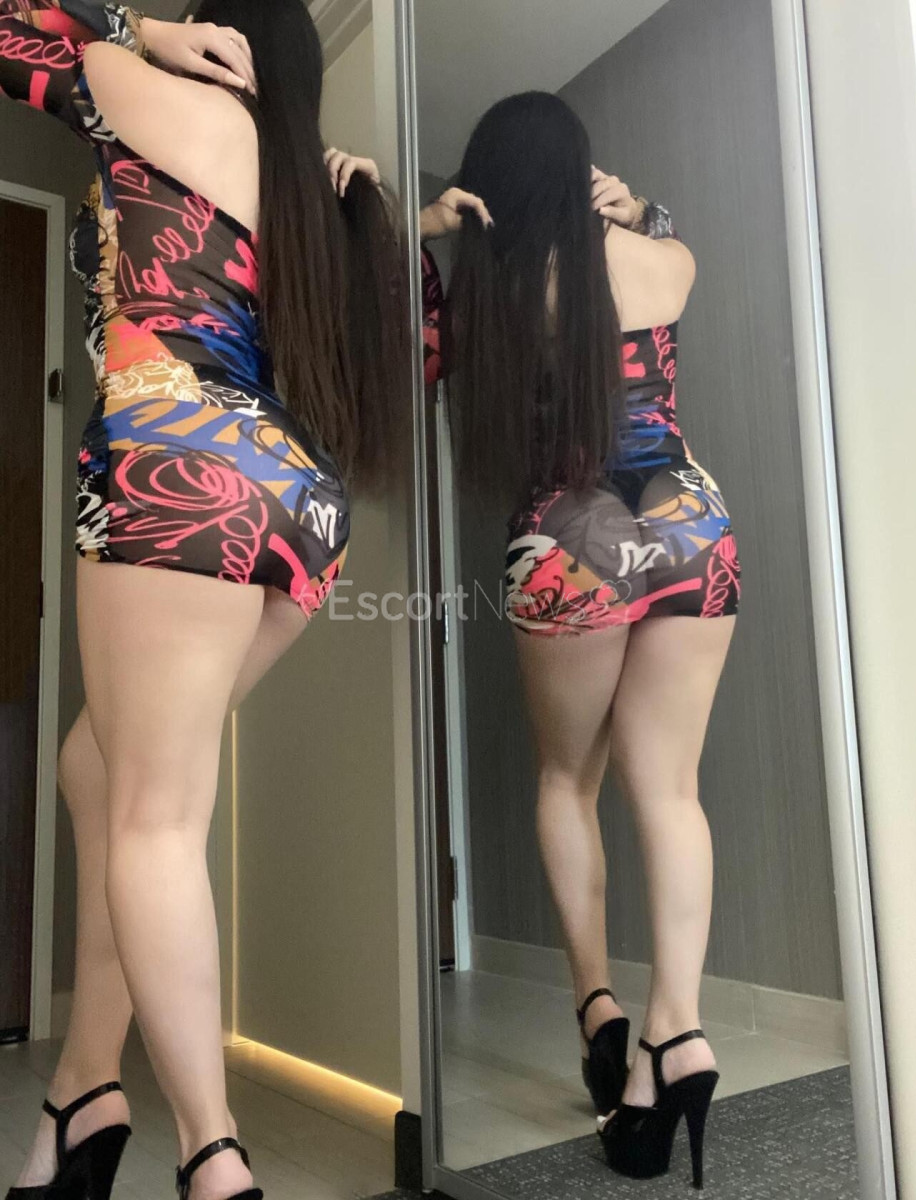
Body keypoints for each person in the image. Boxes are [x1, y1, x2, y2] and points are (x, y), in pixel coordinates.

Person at [0, 4, 404, 1200]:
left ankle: (211, 1154)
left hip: (172, 465)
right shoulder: (314, 190)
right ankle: (84, 1090)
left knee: (154, 820)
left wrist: (131, 29)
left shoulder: (133, 83)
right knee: (96, 768)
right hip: (297, 504)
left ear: (214, 33)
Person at [419, 91, 740, 1188]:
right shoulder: (663, 263)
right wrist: (644, 212)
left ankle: (599, 1008)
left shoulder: (492, 288)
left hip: (570, 535)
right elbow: (678, 248)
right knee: (672, 792)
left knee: (569, 779)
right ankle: (675, 1035)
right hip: (691, 522)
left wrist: (428, 230)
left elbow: (403, 348)